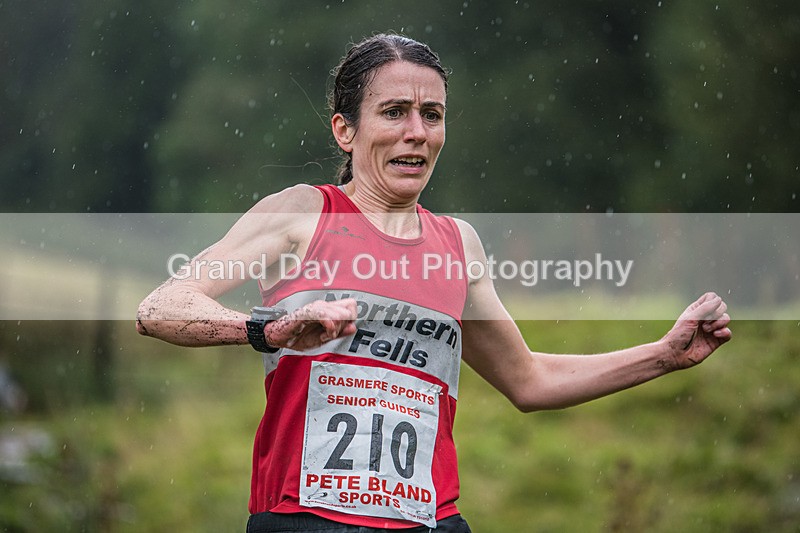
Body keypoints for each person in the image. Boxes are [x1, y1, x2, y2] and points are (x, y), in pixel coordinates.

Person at [136, 34, 731, 533]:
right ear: (346, 130)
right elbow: (162, 308)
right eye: (394, 112)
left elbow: (529, 380)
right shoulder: (301, 214)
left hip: (429, 522)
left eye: (432, 114)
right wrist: (272, 329)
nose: (416, 131)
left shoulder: (458, 244)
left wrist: (662, 356)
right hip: (303, 518)